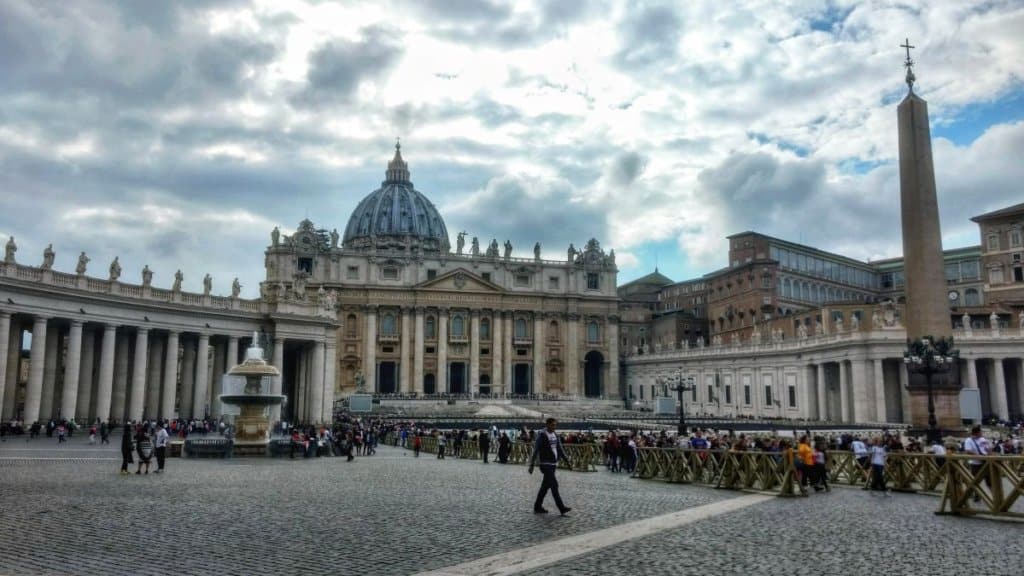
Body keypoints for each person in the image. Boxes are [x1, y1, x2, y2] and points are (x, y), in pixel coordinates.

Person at [528, 418, 572, 516]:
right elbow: (536, 450)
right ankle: (562, 508)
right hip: (545, 464)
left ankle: (537, 506)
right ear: (547, 425)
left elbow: (560, 449)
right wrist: (531, 465)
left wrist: (567, 461)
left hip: (553, 465)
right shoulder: (542, 435)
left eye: (555, 425)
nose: (554, 427)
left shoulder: (556, 435)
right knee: (554, 485)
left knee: (545, 487)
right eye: (552, 425)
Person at [963, 425, 990, 502]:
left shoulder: (983, 439)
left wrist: (989, 453)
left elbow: (987, 448)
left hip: (985, 462)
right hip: (975, 463)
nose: (982, 433)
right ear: (977, 433)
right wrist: (978, 455)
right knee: (975, 481)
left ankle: (995, 497)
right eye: (981, 431)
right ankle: (977, 495)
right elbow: (968, 451)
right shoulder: (968, 440)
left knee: (989, 480)